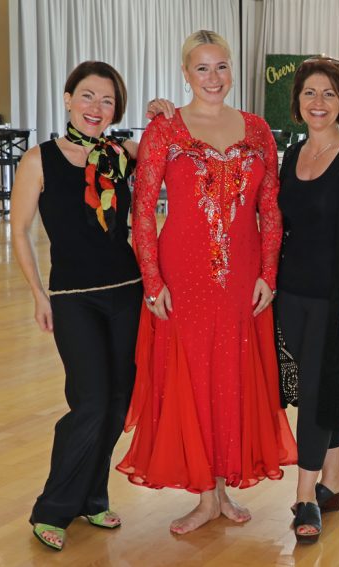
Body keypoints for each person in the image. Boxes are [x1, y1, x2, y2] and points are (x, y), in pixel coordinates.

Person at [116, 30, 297, 535]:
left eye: (221, 67)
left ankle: (221, 489)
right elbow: (142, 210)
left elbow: (271, 210)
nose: (213, 78)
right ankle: (203, 495)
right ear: (185, 73)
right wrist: (152, 281)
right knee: (193, 376)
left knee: (231, 376)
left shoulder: (258, 130)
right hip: (183, 275)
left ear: (231, 70)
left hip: (242, 278)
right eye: (202, 68)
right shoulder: (165, 131)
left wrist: (268, 274)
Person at [10, 61, 171, 551]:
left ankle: (92, 498)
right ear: (67, 99)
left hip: (127, 291)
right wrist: (39, 293)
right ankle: (52, 508)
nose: (96, 108)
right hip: (73, 299)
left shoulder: (121, 154)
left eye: (106, 100)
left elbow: (172, 156)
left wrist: (161, 118)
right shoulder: (39, 160)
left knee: (119, 402)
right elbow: (18, 230)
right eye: (87, 96)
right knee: (91, 401)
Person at [275, 56, 339, 543]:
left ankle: (305, 496)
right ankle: (334, 481)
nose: (318, 103)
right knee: (322, 388)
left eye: (329, 95)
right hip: (289, 293)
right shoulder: (290, 155)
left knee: (317, 395)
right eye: (310, 93)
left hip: (335, 297)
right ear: (298, 101)